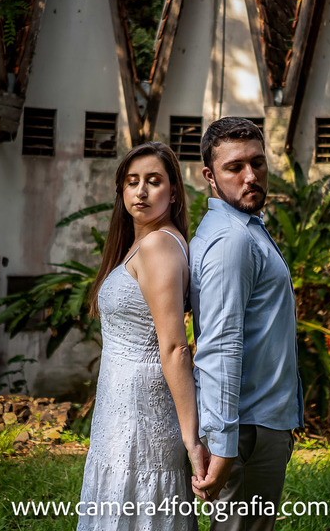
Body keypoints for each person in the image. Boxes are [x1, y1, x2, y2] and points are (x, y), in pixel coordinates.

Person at [78, 141, 206, 531]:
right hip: (119, 407)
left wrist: (193, 440)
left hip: (142, 410)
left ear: (172, 191)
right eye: (132, 181)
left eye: (154, 180)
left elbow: (173, 347)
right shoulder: (138, 244)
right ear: (121, 190)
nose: (141, 191)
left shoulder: (158, 247)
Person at [189, 117, 303, 531]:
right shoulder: (231, 240)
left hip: (259, 424)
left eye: (258, 163)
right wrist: (222, 445)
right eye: (234, 167)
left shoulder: (244, 228)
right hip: (247, 431)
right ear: (210, 176)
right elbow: (220, 345)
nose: (250, 176)